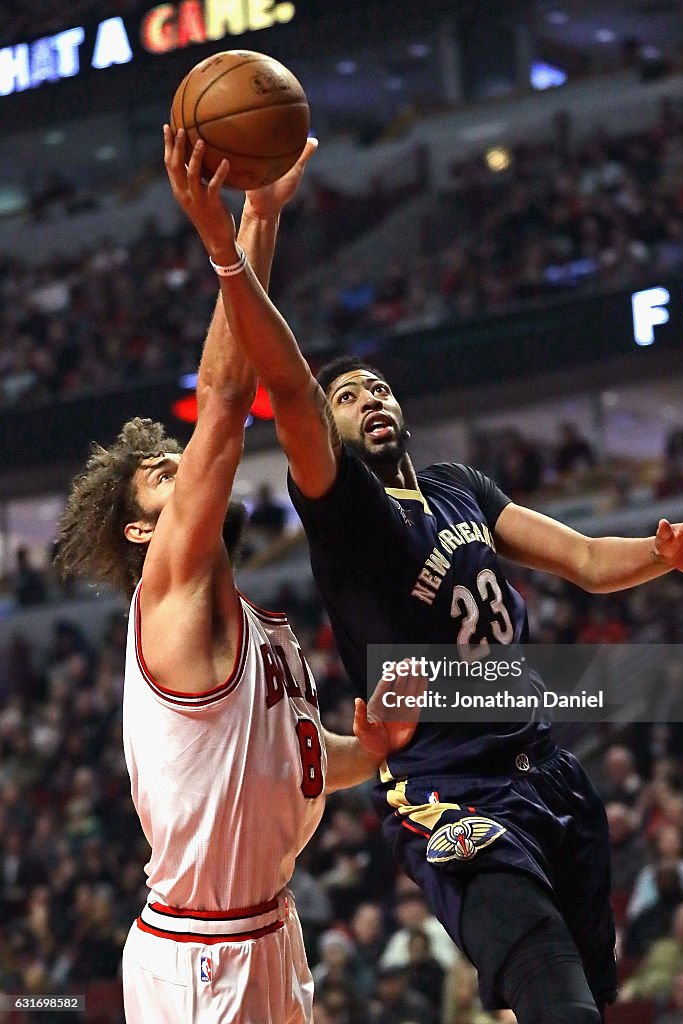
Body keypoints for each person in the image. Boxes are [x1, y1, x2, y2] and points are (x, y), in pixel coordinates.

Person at [172, 137, 683, 1024]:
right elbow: (285, 384)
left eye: (380, 389)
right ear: (330, 433)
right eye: (350, 398)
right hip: (451, 789)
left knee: (573, 1006)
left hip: (548, 772)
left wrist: (658, 552)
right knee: (558, 1006)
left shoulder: (460, 488)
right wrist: (247, 231)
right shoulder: (343, 511)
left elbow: (580, 556)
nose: (370, 400)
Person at [54, 132, 418, 1024]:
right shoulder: (170, 588)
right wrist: (239, 230)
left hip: (264, 932)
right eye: (164, 474)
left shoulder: (249, 622)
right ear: (142, 527)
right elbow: (223, 399)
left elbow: (288, 767)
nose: (188, 469)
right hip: (198, 954)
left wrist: (363, 753)